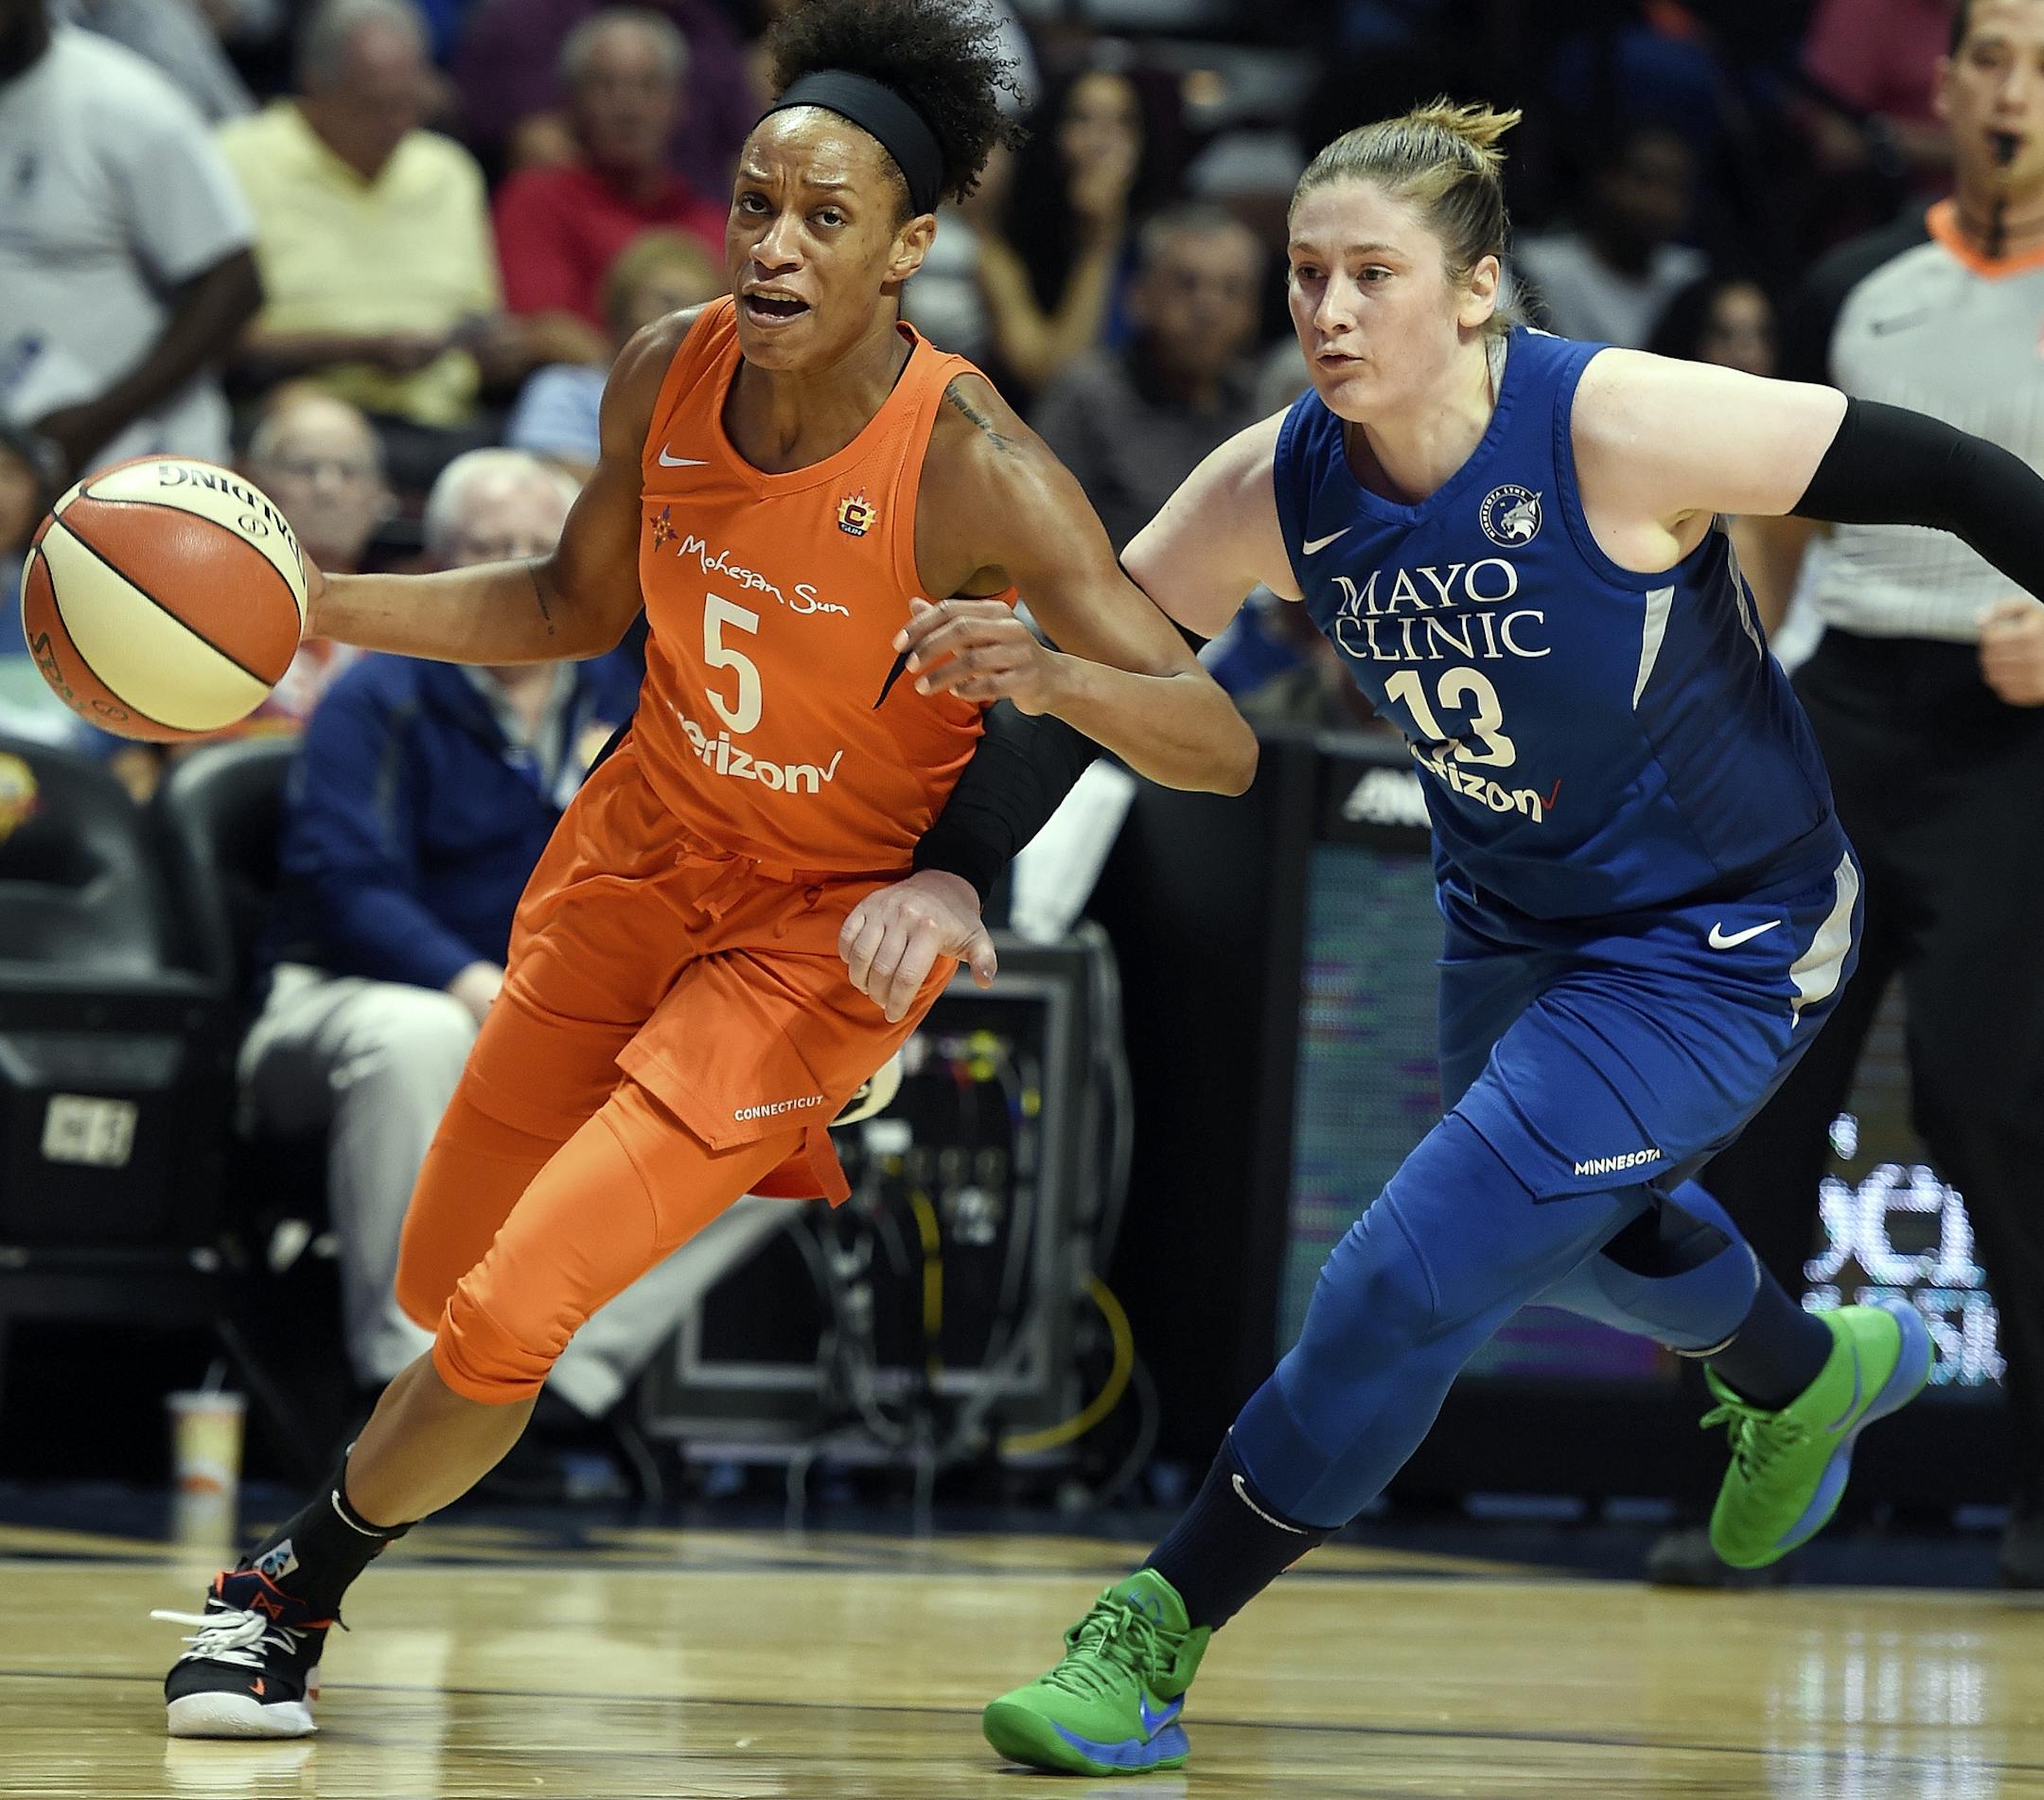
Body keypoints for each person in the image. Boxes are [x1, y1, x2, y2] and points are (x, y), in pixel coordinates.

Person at [151, 0, 1253, 1740]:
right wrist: (310, 596)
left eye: (828, 218)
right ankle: (615, 1243)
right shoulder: (666, 366)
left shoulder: (980, 468)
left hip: (806, 947)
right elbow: (567, 607)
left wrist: (1048, 676)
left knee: (515, 1311)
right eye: (757, 203)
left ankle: (280, 1596)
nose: (776, 243)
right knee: (439, 1295)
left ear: (911, 250)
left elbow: (1217, 742)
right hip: (632, 864)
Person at [980, 96, 2044, 1776]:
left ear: (1476, 290)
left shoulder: (1616, 421)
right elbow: (1084, 683)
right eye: (1306, 275)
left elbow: (1956, 473)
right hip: (1511, 919)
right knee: (1568, 1231)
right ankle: (1799, 1368)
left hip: (1723, 933)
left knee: (1404, 1277)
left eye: (1371, 277)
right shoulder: (1277, 480)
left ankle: (1152, 1635)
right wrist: (946, 875)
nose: (1327, 313)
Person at [1648, 0, 2044, 1593]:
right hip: (1841, 714)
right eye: (1993, 60)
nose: (2016, 91)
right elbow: (1775, 535)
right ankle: (1748, 1476)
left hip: (2016, 738)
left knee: (1987, 1100)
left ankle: (2038, 1490)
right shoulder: (1851, 287)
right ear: (1941, 86)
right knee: (1749, 1099)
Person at [240, 448, 698, 1446]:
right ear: (444, 569)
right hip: (349, 995)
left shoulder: (633, 691)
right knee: (418, 1038)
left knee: (766, 1102)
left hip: (555, 1014)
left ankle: (544, 1384)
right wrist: (472, 981)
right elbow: (346, 884)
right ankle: (401, 1387)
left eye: (543, 549)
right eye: (492, 550)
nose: (524, 571)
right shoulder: (378, 697)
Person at [216, 0, 530, 480]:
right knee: (316, 450)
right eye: (375, 106)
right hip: (296, 413)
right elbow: (217, 342)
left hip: (441, 427)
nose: (397, 124)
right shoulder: (236, 158)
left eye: (408, 104)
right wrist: (359, 349)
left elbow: (480, 316)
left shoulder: (448, 169)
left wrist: (495, 347)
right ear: (314, 86)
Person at [0, 0, 260, 485]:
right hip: (19, 473)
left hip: (143, 462)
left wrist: (94, 421)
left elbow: (235, 285)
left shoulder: (125, 102)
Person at [493, 9, 729, 371]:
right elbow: (538, 330)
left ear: (678, 102)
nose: (628, 107)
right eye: (605, 86)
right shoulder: (535, 201)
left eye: (648, 86)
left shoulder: (715, 225)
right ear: (573, 101)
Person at [1031, 203, 1267, 554]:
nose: (1209, 307)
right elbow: (1037, 535)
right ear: (1138, 295)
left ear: (1253, 312)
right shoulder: (1087, 398)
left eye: (1231, 289)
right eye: (1187, 284)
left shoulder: (1261, 412)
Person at [506, 229, 723, 479]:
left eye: (698, 308)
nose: (682, 320)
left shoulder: (717, 407)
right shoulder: (566, 389)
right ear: (621, 305)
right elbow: (545, 480)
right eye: (667, 301)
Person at [1514, 123, 1706, 348]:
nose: (1661, 202)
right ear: (1606, 180)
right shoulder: (1533, 268)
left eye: (1676, 188)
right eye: (1646, 181)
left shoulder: (1691, 278)